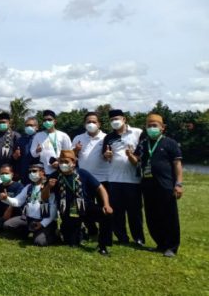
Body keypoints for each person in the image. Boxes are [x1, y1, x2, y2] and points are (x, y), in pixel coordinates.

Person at [47, 150, 113, 255]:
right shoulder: (54, 176)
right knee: (71, 243)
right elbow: (44, 196)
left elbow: (101, 188)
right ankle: (79, 233)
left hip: (84, 206)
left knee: (106, 215)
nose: (63, 164)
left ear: (73, 162)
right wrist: (48, 187)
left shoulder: (83, 173)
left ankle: (103, 245)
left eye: (66, 162)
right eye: (61, 162)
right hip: (68, 212)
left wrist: (106, 204)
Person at [135, 113, 183, 257]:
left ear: (162, 127)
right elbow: (136, 161)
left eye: (154, 125)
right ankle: (160, 244)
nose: (151, 128)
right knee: (152, 216)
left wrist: (179, 184)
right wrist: (129, 155)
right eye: (148, 126)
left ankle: (172, 247)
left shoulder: (170, 143)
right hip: (148, 185)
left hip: (166, 185)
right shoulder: (143, 144)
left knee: (169, 216)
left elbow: (177, 164)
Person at [103, 109, 145, 246]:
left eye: (117, 118)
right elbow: (105, 154)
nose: (115, 122)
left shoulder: (137, 133)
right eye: (111, 120)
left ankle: (138, 238)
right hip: (114, 179)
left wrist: (133, 155)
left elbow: (144, 153)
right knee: (117, 212)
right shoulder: (108, 137)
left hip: (133, 179)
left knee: (135, 211)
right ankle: (121, 237)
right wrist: (107, 155)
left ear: (124, 119)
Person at [72, 112, 109, 238]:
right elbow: (71, 158)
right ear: (84, 124)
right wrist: (75, 150)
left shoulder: (106, 137)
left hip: (103, 178)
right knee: (84, 207)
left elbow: (109, 156)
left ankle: (106, 233)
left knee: (103, 207)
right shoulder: (78, 138)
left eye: (94, 122)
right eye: (88, 122)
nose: (91, 124)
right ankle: (92, 229)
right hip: (84, 179)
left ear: (99, 124)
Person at [1, 163, 57, 246]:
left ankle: (54, 234)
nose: (31, 174)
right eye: (30, 171)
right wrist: (6, 198)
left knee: (39, 242)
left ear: (43, 172)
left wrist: (42, 224)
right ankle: (27, 232)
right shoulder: (29, 187)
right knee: (7, 225)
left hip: (43, 220)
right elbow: (17, 201)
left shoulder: (48, 187)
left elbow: (53, 209)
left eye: (34, 171)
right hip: (28, 219)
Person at [30, 110, 72, 175]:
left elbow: (69, 154)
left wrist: (59, 162)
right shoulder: (38, 136)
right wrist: (37, 150)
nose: (47, 122)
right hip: (44, 171)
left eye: (49, 119)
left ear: (55, 121)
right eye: (45, 120)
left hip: (60, 169)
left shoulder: (63, 135)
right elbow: (33, 154)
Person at [13, 117, 38, 184]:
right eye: (27, 125)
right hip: (23, 172)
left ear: (37, 127)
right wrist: (15, 156)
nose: (29, 127)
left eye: (31, 125)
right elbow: (15, 157)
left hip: (37, 171)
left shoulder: (40, 139)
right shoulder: (20, 140)